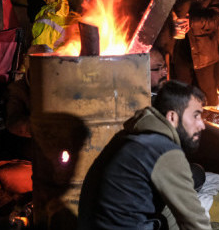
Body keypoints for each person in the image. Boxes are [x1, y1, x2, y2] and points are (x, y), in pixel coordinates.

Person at [78, 80, 211, 230]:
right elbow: (196, 222)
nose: (202, 125)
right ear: (172, 117)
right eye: (196, 116)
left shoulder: (128, 136)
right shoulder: (163, 150)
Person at [172, 0, 219, 106]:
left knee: (207, 92)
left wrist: (193, 21)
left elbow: (217, 17)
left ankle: (212, 125)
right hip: (180, 49)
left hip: (204, 51)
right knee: (182, 92)